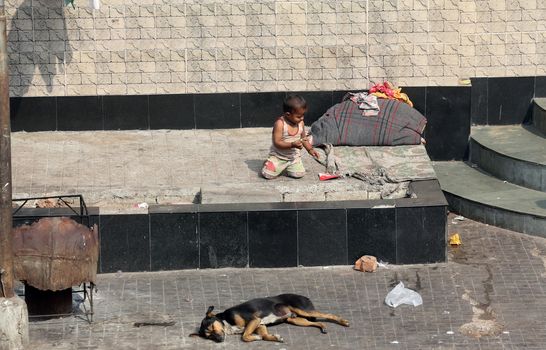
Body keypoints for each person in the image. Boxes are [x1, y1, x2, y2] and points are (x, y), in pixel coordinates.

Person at [261, 95, 319, 179]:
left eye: (303, 115)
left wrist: (310, 150)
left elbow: (304, 139)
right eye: (299, 116)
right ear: (288, 114)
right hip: (278, 157)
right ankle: (270, 162)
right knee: (267, 175)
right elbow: (277, 143)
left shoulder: (301, 123)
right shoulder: (280, 124)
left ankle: (290, 165)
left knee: (299, 174)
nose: (302, 118)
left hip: (293, 158)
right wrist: (292, 144)